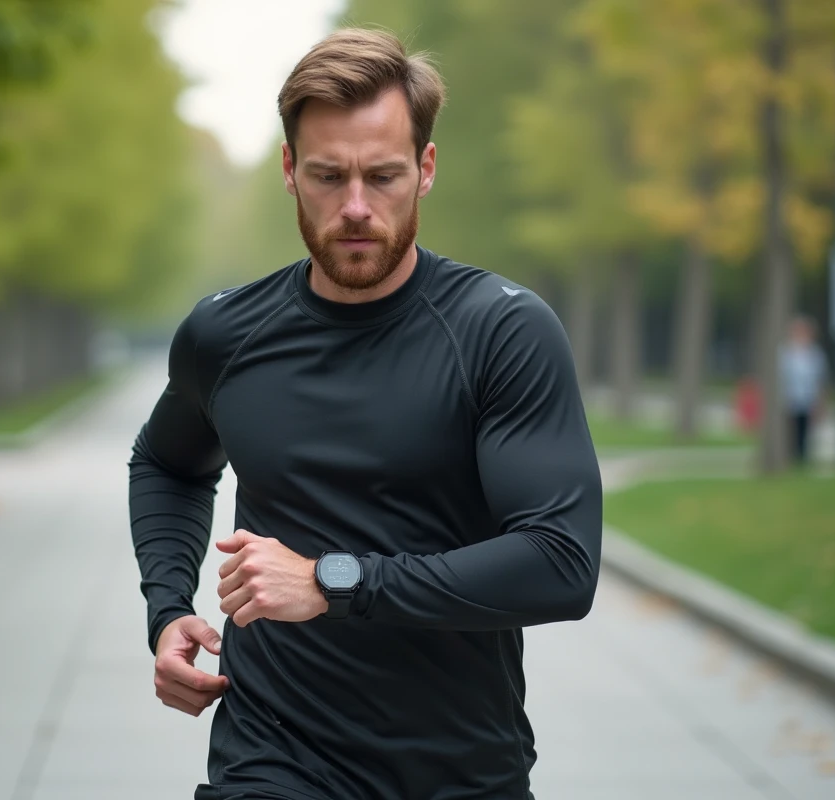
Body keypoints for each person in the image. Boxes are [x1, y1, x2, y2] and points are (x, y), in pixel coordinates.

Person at [128, 28, 602, 800]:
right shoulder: (225, 333)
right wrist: (167, 608)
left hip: (459, 769)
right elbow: (165, 463)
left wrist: (333, 581)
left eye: (382, 176)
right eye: (327, 176)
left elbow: (561, 564)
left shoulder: (502, 331)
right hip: (270, 758)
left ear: (426, 169)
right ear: (288, 170)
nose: (355, 208)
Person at [779, 315, 829, 465]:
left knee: (805, 433)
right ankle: (790, 458)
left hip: (808, 400)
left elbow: (821, 380)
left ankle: (802, 459)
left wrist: (821, 403)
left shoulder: (816, 355)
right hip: (789, 400)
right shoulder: (785, 353)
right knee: (790, 432)